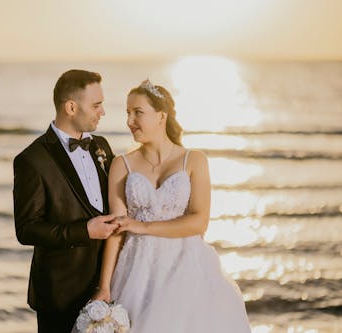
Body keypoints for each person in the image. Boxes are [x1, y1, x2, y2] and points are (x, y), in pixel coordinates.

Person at [92, 80, 251, 332]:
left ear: (161, 116)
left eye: (138, 112)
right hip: (136, 269)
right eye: (128, 113)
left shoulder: (194, 160)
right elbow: (116, 231)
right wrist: (104, 286)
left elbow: (199, 222)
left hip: (186, 267)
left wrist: (142, 227)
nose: (130, 121)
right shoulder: (121, 165)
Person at [13, 69, 118, 333]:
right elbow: (27, 229)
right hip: (60, 293)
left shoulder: (101, 147)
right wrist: (85, 231)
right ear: (71, 107)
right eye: (96, 105)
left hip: (108, 286)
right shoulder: (32, 160)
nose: (102, 112)